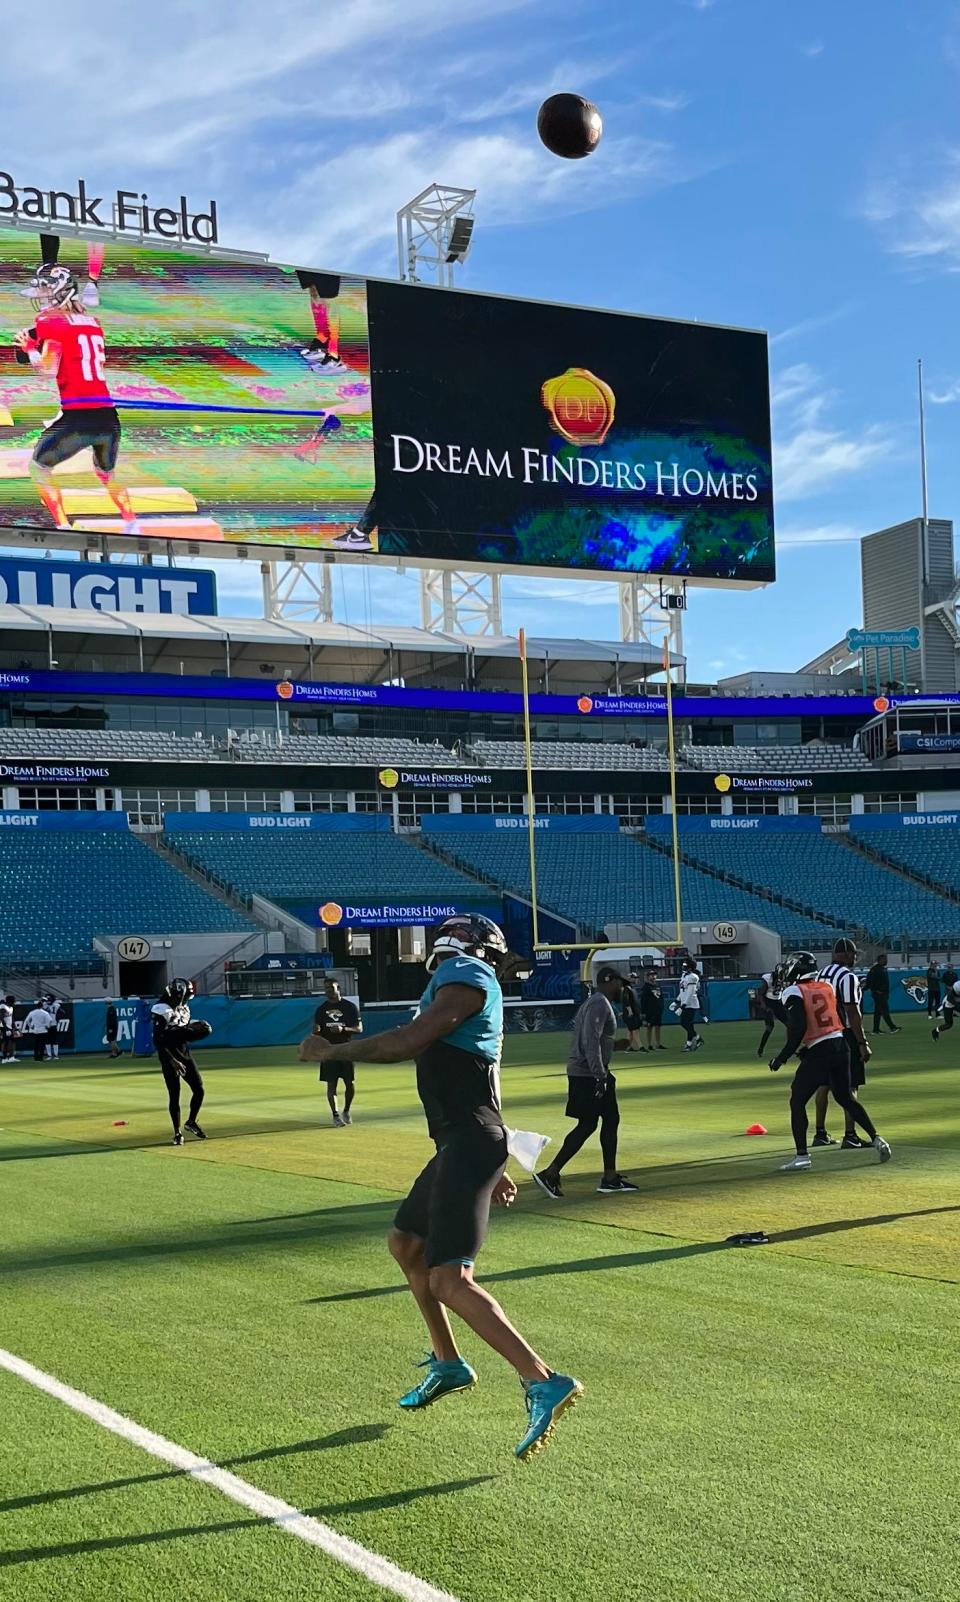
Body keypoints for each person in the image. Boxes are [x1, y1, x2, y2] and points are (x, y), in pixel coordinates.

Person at [298, 913, 582, 1462]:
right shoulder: (462, 979)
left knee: (451, 1279)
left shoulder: (468, 975)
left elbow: (410, 1041)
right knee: (407, 1244)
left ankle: (542, 1379)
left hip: (470, 1140)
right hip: (463, 1142)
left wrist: (331, 1051)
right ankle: (449, 1361)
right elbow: (474, 1081)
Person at [15, 262, 142, 537]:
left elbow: (47, 370)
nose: (42, 296)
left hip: (79, 416)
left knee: (38, 469)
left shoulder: (50, 322)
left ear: (60, 291)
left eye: (47, 289)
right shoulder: (94, 323)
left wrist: (29, 349)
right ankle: (133, 523)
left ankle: (62, 525)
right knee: (106, 474)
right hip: (108, 418)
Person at [769, 952, 891, 1172]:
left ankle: (802, 1156)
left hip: (820, 1050)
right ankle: (877, 1139)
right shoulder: (826, 987)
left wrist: (782, 1057)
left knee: (797, 1100)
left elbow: (799, 1027)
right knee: (845, 1097)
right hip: (841, 1045)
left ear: (796, 968)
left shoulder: (793, 991)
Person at [533, 968, 639, 1200]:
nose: (623, 989)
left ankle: (608, 1177)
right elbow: (589, 1040)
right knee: (590, 1124)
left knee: (604, 1120)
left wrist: (614, 1046)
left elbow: (596, 1040)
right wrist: (600, 1075)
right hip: (588, 1074)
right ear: (608, 982)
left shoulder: (598, 1003)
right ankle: (552, 1173)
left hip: (589, 1072)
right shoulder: (599, 1003)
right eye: (621, 984)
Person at [816, 937, 874, 1149]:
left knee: (823, 1084)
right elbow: (851, 1009)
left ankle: (820, 1133)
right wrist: (862, 1042)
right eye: (854, 954)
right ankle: (850, 1134)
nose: (855, 957)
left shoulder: (822, 973)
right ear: (847, 954)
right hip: (844, 1034)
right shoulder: (848, 977)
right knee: (851, 1083)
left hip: (824, 1033)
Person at [151, 979, 212, 1146]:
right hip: (168, 1053)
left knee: (199, 1089)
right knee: (174, 1094)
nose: (184, 1001)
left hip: (183, 1051)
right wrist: (173, 1060)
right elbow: (158, 1040)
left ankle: (191, 1122)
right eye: (183, 997)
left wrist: (193, 1030)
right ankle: (177, 1133)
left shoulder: (183, 1008)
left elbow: (181, 1030)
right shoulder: (161, 1008)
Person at [312, 978, 362, 1125]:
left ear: (338, 988)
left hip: (346, 1049)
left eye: (331, 988)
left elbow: (359, 1028)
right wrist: (315, 1032)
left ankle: (346, 1110)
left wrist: (343, 1029)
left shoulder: (350, 1007)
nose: (328, 991)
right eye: (326, 988)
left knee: (349, 1083)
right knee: (331, 1084)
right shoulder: (321, 1009)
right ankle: (335, 1115)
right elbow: (316, 1032)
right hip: (329, 1050)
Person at [863, 953, 900, 1035]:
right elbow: (870, 980)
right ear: (880, 960)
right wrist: (875, 990)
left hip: (884, 994)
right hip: (878, 994)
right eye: (884, 959)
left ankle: (876, 1029)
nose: (886, 961)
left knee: (878, 1011)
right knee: (884, 1010)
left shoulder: (883, 969)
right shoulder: (875, 969)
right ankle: (892, 1027)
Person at [756, 964, 785, 1060]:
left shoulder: (785, 977)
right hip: (768, 1002)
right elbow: (760, 994)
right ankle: (761, 1048)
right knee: (769, 1027)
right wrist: (764, 1006)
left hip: (777, 1002)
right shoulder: (768, 978)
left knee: (791, 1024)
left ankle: (790, 1047)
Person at [677, 959, 703, 1051]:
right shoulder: (684, 975)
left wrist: (683, 1005)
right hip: (685, 1002)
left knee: (685, 1023)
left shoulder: (693, 977)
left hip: (690, 1003)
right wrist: (677, 1000)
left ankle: (698, 1038)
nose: (683, 967)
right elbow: (683, 990)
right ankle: (689, 1044)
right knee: (689, 1024)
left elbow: (690, 993)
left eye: (685, 965)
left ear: (690, 967)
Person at [640, 973, 666, 1050]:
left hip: (657, 1010)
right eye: (651, 975)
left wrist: (661, 1008)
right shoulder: (646, 987)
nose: (653, 976)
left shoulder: (658, 986)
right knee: (649, 1027)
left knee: (658, 1027)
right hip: (649, 1011)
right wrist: (643, 1012)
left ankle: (658, 1044)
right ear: (648, 977)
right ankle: (649, 1044)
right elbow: (643, 1000)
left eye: (654, 975)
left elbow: (661, 998)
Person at [932, 973, 960, 1041]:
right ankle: (935, 1031)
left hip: (956, 1003)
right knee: (948, 1024)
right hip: (948, 1005)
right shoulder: (951, 994)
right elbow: (951, 1001)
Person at [620, 977, 644, 1051]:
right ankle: (641, 1047)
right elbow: (626, 1000)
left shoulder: (632, 988)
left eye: (636, 978)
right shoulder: (627, 988)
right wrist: (629, 1010)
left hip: (635, 1013)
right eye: (634, 978)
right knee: (635, 1030)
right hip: (630, 1013)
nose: (636, 979)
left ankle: (627, 1047)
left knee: (630, 1030)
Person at [44, 995, 61, 1060]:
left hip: (53, 1024)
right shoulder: (44, 1004)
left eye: (50, 1000)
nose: (48, 1002)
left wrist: (57, 1019)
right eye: (47, 1000)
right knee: (47, 1040)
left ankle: (56, 1055)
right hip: (46, 1025)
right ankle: (49, 1055)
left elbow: (62, 1012)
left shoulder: (56, 1005)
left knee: (54, 1040)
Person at [0, 995, 16, 1063]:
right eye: (13, 1001)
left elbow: (11, 1018)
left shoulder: (11, 1007)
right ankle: (4, 1058)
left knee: (11, 1041)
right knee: (5, 1042)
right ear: (10, 1001)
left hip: (9, 1027)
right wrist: (6, 1028)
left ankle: (11, 1057)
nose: (14, 1002)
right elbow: (1, 1017)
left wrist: (14, 1027)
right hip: (4, 1027)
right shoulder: (3, 1006)